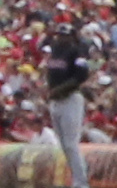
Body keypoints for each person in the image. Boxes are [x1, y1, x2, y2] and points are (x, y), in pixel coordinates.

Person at [42, 20, 97, 180]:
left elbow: (81, 76)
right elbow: (52, 74)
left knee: (71, 145)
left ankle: (81, 182)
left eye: (65, 35)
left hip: (70, 99)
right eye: (60, 35)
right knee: (64, 145)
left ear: (72, 36)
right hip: (56, 101)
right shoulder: (55, 51)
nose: (62, 38)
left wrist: (59, 90)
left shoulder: (77, 52)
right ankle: (77, 176)